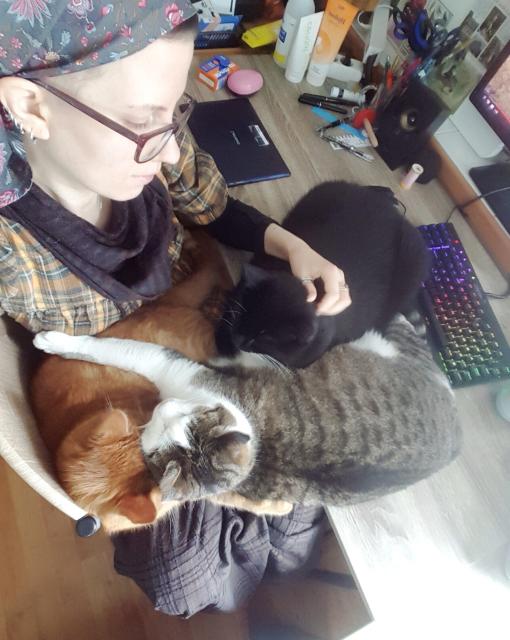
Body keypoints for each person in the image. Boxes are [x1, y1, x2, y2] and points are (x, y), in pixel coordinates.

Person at [0, 1, 350, 616]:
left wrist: (289, 244)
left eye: (173, 117)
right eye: (144, 125)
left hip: (208, 336)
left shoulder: (153, 142)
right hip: (136, 417)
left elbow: (206, 200)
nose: (166, 155)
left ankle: (275, 577)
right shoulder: (12, 254)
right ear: (31, 106)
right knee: (184, 577)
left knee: (305, 496)